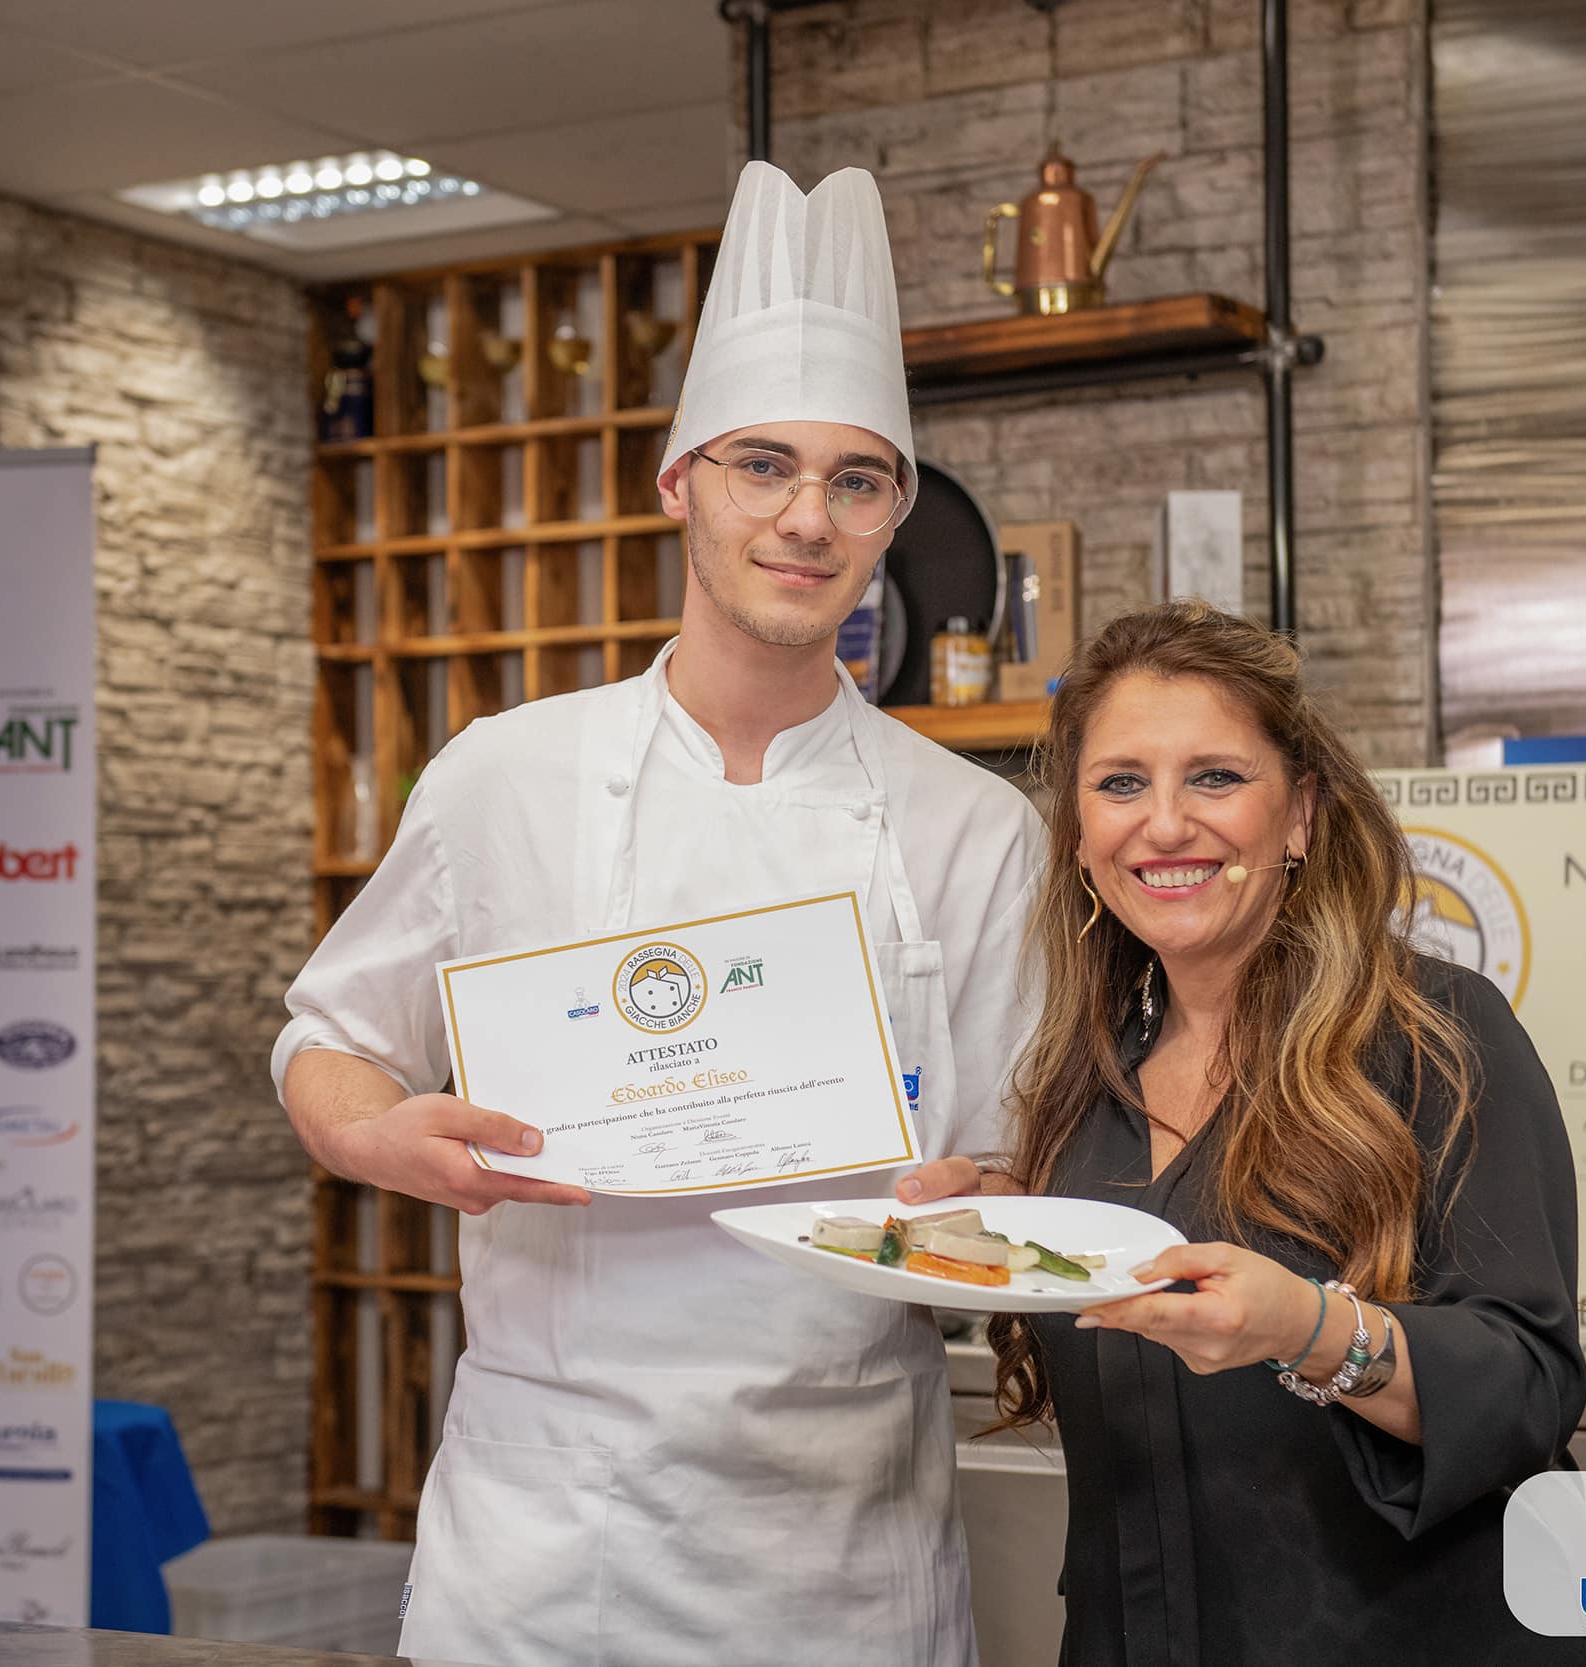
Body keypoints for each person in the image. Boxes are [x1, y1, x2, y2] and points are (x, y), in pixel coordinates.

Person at [271, 160, 1042, 1667]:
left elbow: (1015, 1155)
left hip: (843, 1550)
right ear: (679, 478)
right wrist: (380, 1137)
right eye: (763, 465)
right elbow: (326, 1041)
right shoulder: (503, 774)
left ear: (894, 515)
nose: (807, 518)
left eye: (857, 480)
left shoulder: (975, 825)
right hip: (546, 1547)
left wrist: (979, 1205)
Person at [932, 602, 1586, 1664]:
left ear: (1300, 814)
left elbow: (1529, 1385)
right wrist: (1005, 1228)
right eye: (1120, 783)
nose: (1164, 824)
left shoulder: (1438, 1036)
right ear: (1080, 836)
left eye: (1214, 777)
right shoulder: (1081, 1082)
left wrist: (1309, 1327)